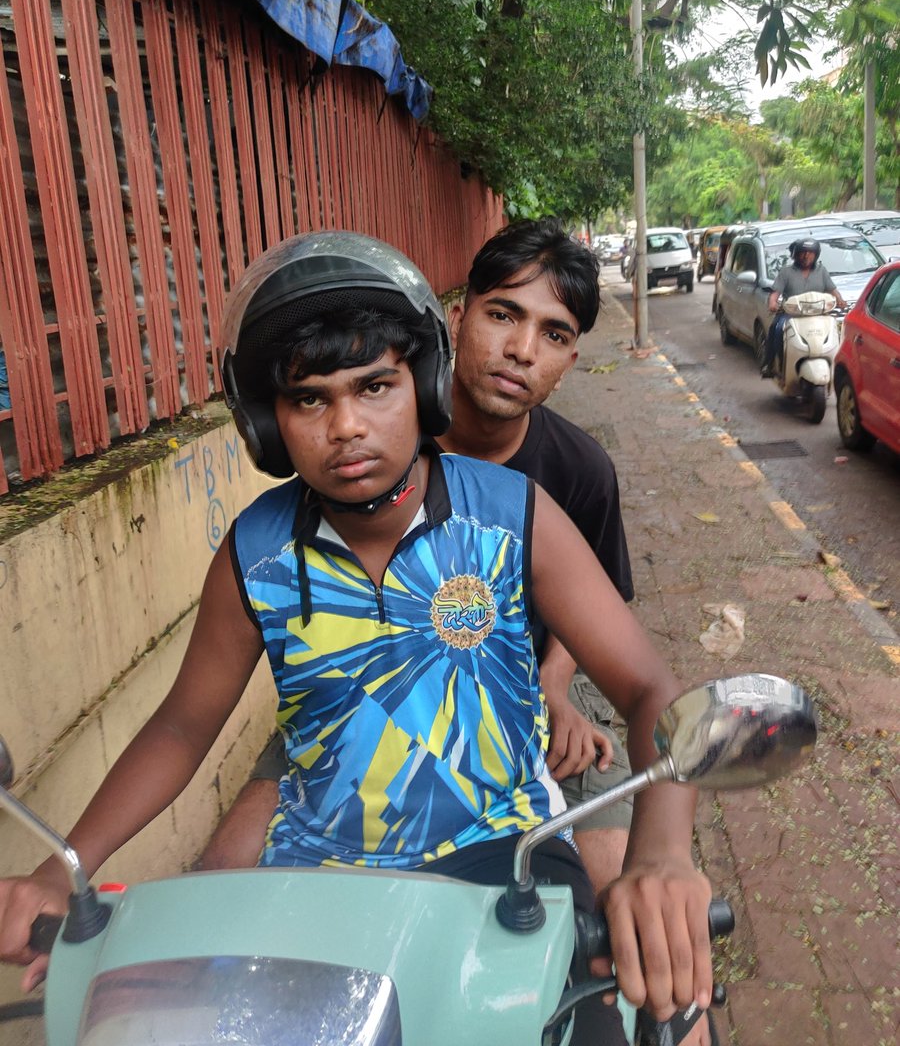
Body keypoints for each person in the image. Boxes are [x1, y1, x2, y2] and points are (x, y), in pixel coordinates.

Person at [0, 231, 712, 1041]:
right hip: (316, 876)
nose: (345, 426)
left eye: (375, 386)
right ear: (268, 424)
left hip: (504, 856)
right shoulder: (255, 554)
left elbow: (652, 690)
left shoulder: (513, 515)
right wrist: (64, 867)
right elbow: (180, 727)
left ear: (425, 386)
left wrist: (662, 856)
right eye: (309, 400)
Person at [201, 219, 634, 901]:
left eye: (553, 335)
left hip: (532, 676)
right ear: (457, 323)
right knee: (218, 885)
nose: (521, 351)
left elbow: (602, 629)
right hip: (350, 673)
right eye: (503, 315)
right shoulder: (361, 444)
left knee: (615, 900)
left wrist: (553, 692)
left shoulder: (574, 474)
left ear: (571, 358)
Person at [760, 237, 847, 376]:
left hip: (818, 314)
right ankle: (771, 364)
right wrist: (773, 303)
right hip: (791, 314)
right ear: (796, 254)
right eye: (803, 252)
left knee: (837, 331)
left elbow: (833, 290)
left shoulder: (822, 271)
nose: (806, 256)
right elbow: (775, 294)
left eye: (810, 253)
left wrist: (840, 300)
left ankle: (838, 366)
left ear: (816, 254)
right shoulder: (786, 272)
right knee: (776, 328)